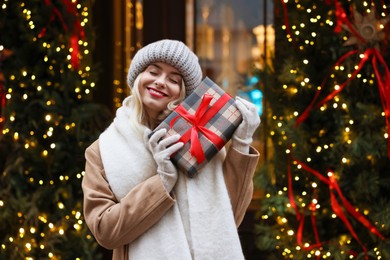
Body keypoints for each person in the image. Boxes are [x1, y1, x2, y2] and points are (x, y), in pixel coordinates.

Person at [82, 39, 260, 260]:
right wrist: (162, 182)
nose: (160, 82)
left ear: (183, 92)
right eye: (153, 72)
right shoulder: (103, 150)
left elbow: (230, 216)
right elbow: (105, 231)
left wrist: (242, 143)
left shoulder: (201, 141)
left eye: (173, 79)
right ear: (138, 76)